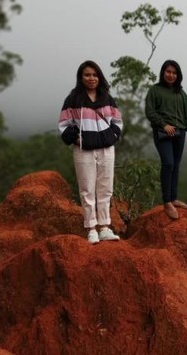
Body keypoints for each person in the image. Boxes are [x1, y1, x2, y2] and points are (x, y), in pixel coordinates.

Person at [58, 60, 123, 244]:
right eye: (87, 75)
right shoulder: (73, 99)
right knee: (87, 189)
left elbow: (118, 122)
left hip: (106, 149)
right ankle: (91, 229)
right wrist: (77, 138)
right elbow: (63, 125)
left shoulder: (107, 98)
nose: (91, 78)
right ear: (81, 77)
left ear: (99, 76)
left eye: (94, 75)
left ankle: (104, 227)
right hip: (83, 150)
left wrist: (112, 137)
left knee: (105, 188)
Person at [145, 59, 187, 220]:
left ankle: (174, 198)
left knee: (176, 165)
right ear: (163, 73)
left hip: (179, 133)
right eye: (168, 72)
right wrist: (163, 124)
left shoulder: (181, 93)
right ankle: (166, 201)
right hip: (163, 133)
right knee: (168, 163)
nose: (171, 75)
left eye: (174, 73)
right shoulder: (155, 90)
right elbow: (150, 112)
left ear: (178, 75)